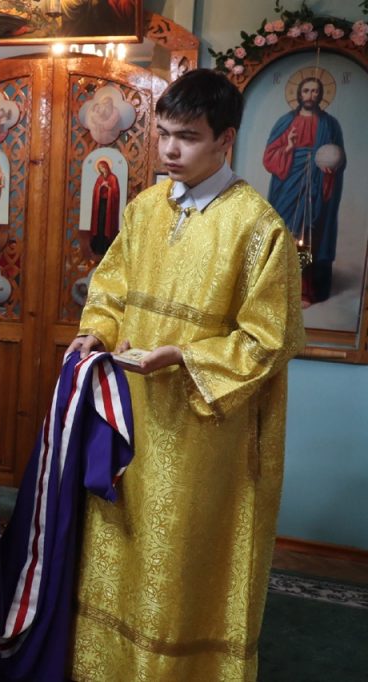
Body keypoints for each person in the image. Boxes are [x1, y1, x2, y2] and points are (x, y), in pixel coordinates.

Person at [67, 68, 305, 680]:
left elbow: (269, 340)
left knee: (178, 555)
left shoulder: (258, 227)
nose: (170, 150)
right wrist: (99, 330)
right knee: (123, 540)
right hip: (132, 415)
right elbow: (111, 286)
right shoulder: (146, 207)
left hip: (204, 433)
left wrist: (182, 357)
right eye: (165, 134)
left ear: (225, 139)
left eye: (189, 137)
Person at [262, 73, 345, 307]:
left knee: (308, 233)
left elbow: (340, 157)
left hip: (316, 182)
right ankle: (279, 287)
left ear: (321, 95)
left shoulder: (330, 124)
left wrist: (331, 168)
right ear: (299, 94)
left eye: (315, 91)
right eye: (306, 90)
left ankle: (304, 289)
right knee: (285, 231)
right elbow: (270, 157)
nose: (311, 95)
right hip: (289, 182)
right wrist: (288, 147)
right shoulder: (285, 122)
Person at [88, 159, 120, 255]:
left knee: (107, 223)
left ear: (106, 167)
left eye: (102, 167)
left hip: (109, 205)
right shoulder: (100, 178)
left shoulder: (113, 178)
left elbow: (116, 193)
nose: (102, 170)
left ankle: (106, 245)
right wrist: (100, 187)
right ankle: (97, 244)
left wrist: (109, 188)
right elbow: (95, 191)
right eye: (100, 168)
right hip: (100, 203)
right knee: (99, 223)